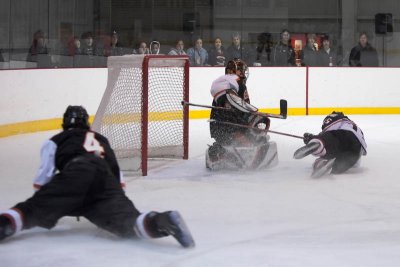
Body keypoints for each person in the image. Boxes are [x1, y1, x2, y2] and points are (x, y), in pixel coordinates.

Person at [0, 106, 195, 248]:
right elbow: (117, 178)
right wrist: (110, 201)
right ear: (87, 123)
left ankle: (4, 225)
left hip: (76, 172)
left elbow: (41, 181)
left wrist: (55, 201)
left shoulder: (57, 140)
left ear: (64, 123)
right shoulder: (101, 139)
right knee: (127, 224)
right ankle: (161, 221)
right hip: (105, 181)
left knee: (31, 210)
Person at [206, 58, 278, 170]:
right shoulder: (239, 83)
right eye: (242, 70)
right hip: (233, 129)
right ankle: (230, 154)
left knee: (250, 137)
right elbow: (245, 110)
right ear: (237, 71)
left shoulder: (222, 85)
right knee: (258, 137)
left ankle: (219, 151)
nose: (244, 73)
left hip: (217, 130)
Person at [293, 111, 367, 178]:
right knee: (343, 163)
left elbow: (329, 136)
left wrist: (313, 138)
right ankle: (331, 165)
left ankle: (319, 148)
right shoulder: (351, 124)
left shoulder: (335, 118)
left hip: (342, 135)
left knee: (326, 144)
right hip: (357, 149)